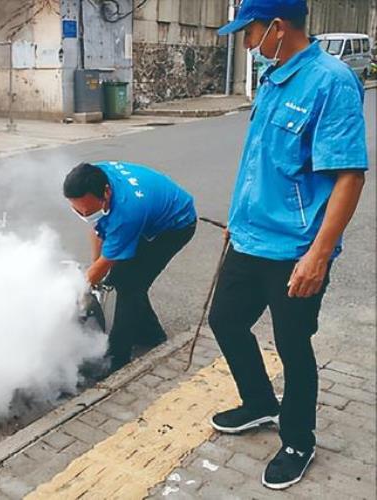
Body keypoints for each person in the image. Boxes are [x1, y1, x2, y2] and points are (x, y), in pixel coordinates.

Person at [210, 0, 368, 490]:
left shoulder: (332, 81)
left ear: (277, 26)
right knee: (226, 320)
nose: (246, 42)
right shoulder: (273, 78)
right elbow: (261, 163)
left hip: (295, 250)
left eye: (250, 31)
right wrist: (238, 219)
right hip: (250, 238)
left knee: (292, 345)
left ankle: (299, 439)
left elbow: (349, 176)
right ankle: (259, 403)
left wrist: (318, 255)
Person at [63, 161, 196, 371]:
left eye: (88, 210)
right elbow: (98, 229)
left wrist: (76, 293)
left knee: (127, 284)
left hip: (175, 226)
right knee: (127, 278)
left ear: (106, 193)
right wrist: (95, 268)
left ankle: (117, 359)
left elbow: (108, 260)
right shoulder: (94, 177)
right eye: (78, 211)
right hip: (146, 216)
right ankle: (151, 335)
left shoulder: (127, 212)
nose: (84, 214)